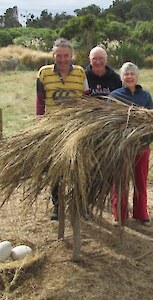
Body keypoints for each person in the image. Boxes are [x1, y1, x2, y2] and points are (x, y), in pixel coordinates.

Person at [36, 38, 90, 220]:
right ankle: (57, 204)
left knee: (78, 166)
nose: (63, 59)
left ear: (71, 55)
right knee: (55, 167)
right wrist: (40, 122)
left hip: (75, 126)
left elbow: (86, 98)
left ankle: (79, 204)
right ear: (53, 56)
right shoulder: (43, 73)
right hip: (53, 126)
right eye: (59, 55)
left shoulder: (81, 73)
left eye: (66, 55)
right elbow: (40, 100)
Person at [109, 62, 153, 226]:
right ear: (122, 77)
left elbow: (152, 121)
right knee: (120, 182)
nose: (129, 77)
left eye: (132, 74)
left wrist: (146, 141)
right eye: (126, 74)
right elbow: (109, 123)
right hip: (121, 147)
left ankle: (141, 214)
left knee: (140, 181)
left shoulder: (146, 96)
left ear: (137, 77)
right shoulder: (114, 96)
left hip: (141, 146)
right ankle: (119, 215)